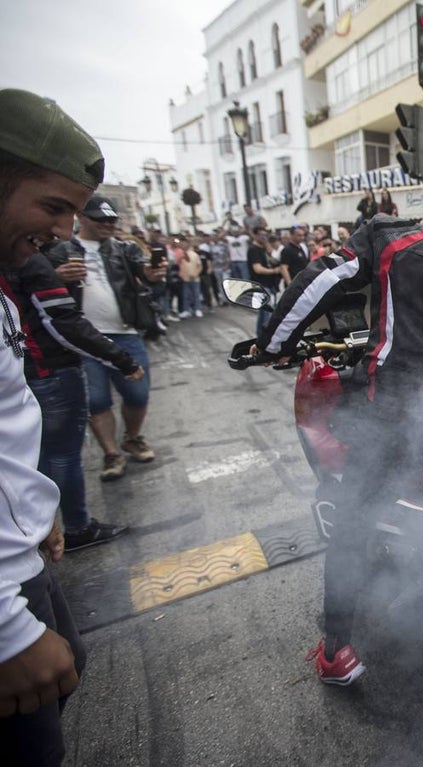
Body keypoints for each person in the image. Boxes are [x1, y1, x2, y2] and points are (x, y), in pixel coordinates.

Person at [251, 170, 423, 685]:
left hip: (392, 419)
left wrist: (271, 344)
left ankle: (336, 649)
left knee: (353, 527)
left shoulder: (393, 236)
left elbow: (319, 281)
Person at [0, 86, 103, 766]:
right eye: (53, 205)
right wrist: (6, 628)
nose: (64, 229)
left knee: (70, 669)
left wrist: (38, 505)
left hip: (20, 551)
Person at [4, 251, 139, 550]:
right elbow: (65, 323)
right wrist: (122, 360)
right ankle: (73, 527)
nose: (60, 228)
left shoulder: (20, 259)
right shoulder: (26, 260)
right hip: (48, 370)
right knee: (62, 456)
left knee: (39, 458)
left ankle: (43, 530)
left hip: (26, 373)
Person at [47, 197, 166, 481]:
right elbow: (36, 285)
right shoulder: (60, 251)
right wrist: (56, 276)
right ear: (82, 217)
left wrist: (152, 273)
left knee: (138, 394)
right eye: (101, 220)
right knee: (97, 400)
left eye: (112, 220)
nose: (108, 225)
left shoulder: (124, 249)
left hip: (125, 333)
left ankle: (132, 437)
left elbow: (146, 274)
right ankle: (111, 453)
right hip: (83, 340)